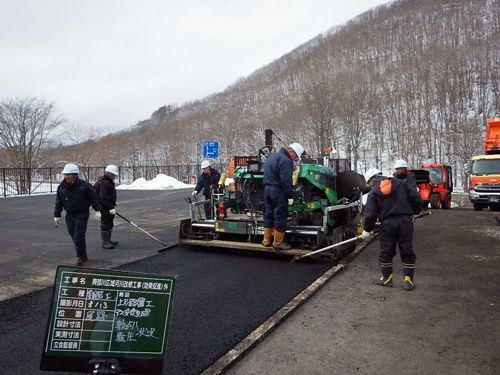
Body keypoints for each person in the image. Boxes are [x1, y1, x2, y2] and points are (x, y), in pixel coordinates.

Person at [360, 172, 423, 290]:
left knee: (386, 251)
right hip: (405, 222)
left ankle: (387, 279)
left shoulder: (374, 192)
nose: (370, 185)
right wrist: (415, 212)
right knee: (407, 249)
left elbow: (370, 214)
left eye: (369, 182)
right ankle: (408, 281)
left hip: (387, 224)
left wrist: (367, 230)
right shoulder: (402, 183)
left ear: (373, 179)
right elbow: (417, 198)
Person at [54, 163, 102, 266]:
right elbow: (59, 202)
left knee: (78, 235)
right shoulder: (61, 187)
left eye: (69, 174)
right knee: (73, 234)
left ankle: (79, 256)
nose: (66, 177)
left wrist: (97, 210)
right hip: (70, 213)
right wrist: (57, 215)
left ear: (75, 175)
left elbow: (93, 197)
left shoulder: (83, 185)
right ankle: (83, 253)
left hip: (82, 212)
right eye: (65, 174)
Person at [262, 142, 304, 250]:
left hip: (266, 189)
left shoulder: (272, 156)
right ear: (290, 152)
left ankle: (266, 240)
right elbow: (286, 181)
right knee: (280, 215)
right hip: (277, 191)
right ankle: (277, 243)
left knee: (268, 213)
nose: (294, 159)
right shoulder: (285, 160)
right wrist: (290, 195)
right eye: (295, 156)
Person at [95, 165, 119, 249]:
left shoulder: (108, 181)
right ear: (109, 174)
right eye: (114, 175)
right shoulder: (104, 182)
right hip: (103, 206)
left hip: (109, 205)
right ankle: (105, 242)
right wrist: (110, 207)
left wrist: (111, 206)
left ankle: (109, 240)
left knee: (110, 222)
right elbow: (103, 197)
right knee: (105, 223)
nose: (115, 176)